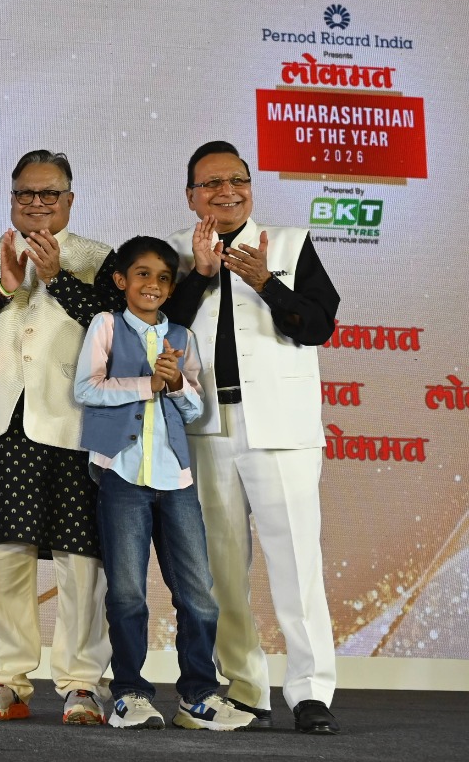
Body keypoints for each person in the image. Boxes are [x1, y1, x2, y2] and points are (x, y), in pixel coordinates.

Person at [164, 141, 341, 735]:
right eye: (211, 183)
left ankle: (311, 691)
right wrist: (201, 276)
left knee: (297, 562)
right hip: (206, 428)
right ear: (191, 196)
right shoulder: (179, 256)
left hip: (280, 428)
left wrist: (266, 281)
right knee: (220, 569)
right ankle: (245, 687)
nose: (226, 191)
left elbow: (317, 325)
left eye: (236, 180)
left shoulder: (290, 245)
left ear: (250, 186)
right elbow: (161, 331)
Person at [0, 150, 117, 725]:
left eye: (49, 194)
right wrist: (4, 287)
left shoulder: (99, 258)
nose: (37, 203)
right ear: (12, 197)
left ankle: (83, 684)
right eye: (25, 193)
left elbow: (116, 327)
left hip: (73, 420)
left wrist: (59, 278)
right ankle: (4, 680)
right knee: (0, 556)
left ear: (70, 199)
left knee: (81, 557)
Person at [72, 236, 256, 732]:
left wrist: (174, 384)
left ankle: (198, 695)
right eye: (142, 274)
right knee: (127, 594)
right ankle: (130, 693)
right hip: (122, 474)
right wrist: (145, 384)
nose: (152, 285)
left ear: (172, 288)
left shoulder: (181, 335)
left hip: (176, 478)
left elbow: (196, 408)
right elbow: (86, 388)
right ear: (121, 280)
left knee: (198, 594)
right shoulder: (107, 324)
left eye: (163, 278)